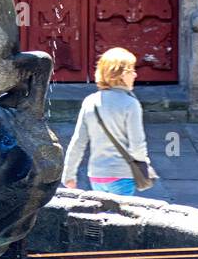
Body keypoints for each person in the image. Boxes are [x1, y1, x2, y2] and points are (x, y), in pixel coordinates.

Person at [61, 47, 155, 196]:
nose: (135, 74)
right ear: (122, 74)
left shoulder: (90, 101)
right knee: (121, 218)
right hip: (122, 175)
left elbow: (78, 142)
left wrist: (69, 175)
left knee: (102, 217)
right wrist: (145, 166)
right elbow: (137, 145)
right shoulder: (130, 104)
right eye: (131, 70)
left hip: (96, 176)